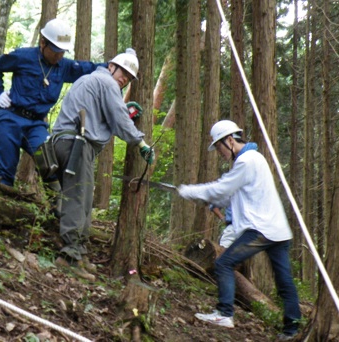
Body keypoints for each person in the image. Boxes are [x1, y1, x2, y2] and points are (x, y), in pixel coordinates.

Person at [177, 120, 301, 340]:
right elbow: (231, 195)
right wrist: (208, 200)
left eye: (219, 147)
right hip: (278, 230)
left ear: (230, 140)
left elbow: (223, 187)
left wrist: (191, 191)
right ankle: (292, 328)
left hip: (261, 230)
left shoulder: (246, 161)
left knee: (223, 263)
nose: (219, 152)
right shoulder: (254, 160)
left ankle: (225, 313)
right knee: (284, 281)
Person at [51, 48, 155, 278]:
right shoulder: (107, 83)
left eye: (129, 77)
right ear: (111, 66)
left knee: (82, 198)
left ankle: (80, 252)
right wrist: (141, 144)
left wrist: (123, 113)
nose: (124, 79)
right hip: (76, 144)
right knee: (79, 199)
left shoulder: (88, 81)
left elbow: (106, 114)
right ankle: (69, 257)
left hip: (63, 143)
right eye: (123, 72)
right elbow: (118, 118)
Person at [0, 18, 107, 193]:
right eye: (55, 51)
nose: (59, 56)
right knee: (4, 173)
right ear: (43, 43)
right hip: (9, 119)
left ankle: (56, 209)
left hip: (36, 125)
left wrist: (115, 66)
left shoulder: (65, 67)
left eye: (62, 52)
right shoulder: (23, 57)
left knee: (51, 164)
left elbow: (90, 69)